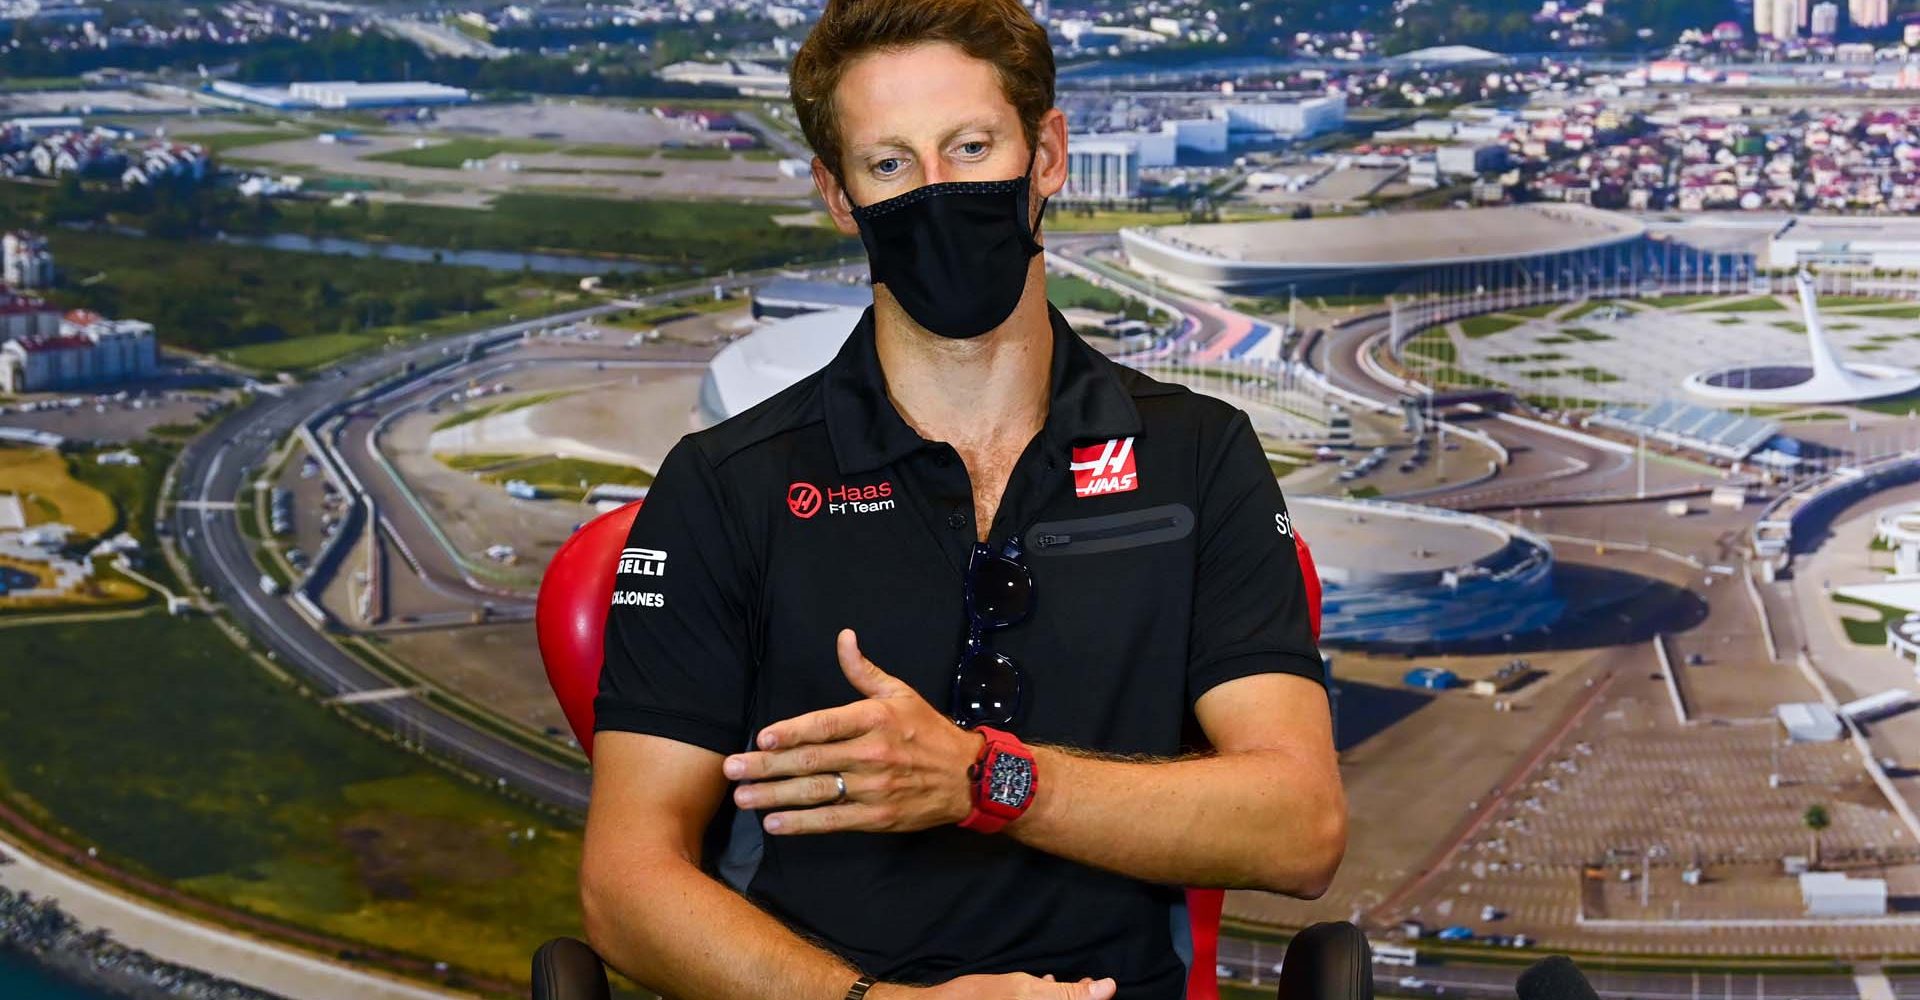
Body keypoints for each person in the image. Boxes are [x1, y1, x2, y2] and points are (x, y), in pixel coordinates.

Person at [578, 2, 1346, 998]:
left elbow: (1303, 829)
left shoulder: (1196, 456)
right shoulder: (726, 485)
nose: (936, 194)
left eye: (971, 146)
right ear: (839, 196)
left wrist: (988, 779)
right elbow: (624, 886)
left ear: (1049, 153)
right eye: (890, 165)